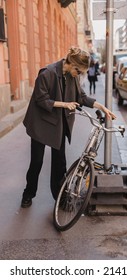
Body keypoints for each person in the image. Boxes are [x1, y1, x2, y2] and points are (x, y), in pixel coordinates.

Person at [21, 46, 116, 208]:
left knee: (60, 163)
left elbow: (82, 97)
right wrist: (65, 104)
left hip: (58, 124)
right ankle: (28, 194)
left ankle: (61, 198)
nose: (79, 75)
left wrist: (102, 107)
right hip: (40, 123)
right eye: (79, 71)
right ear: (72, 64)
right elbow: (41, 100)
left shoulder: (73, 77)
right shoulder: (47, 73)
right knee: (36, 162)